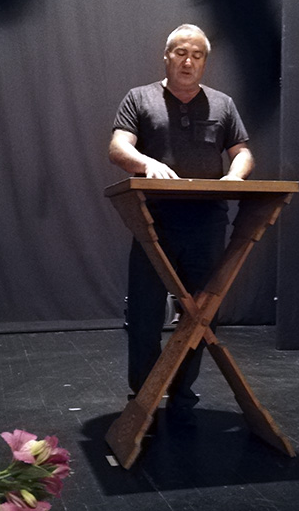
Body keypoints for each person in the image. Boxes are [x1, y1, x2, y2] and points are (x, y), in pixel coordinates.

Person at [108, 24, 254, 428]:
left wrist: (235, 176)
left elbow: (242, 151)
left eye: (197, 55)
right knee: (144, 314)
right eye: (180, 53)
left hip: (207, 222)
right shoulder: (139, 98)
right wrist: (146, 163)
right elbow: (118, 147)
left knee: (201, 314)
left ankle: (181, 393)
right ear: (167, 56)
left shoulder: (223, 104)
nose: (188, 61)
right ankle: (144, 395)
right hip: (153, 222)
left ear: (204, 61)